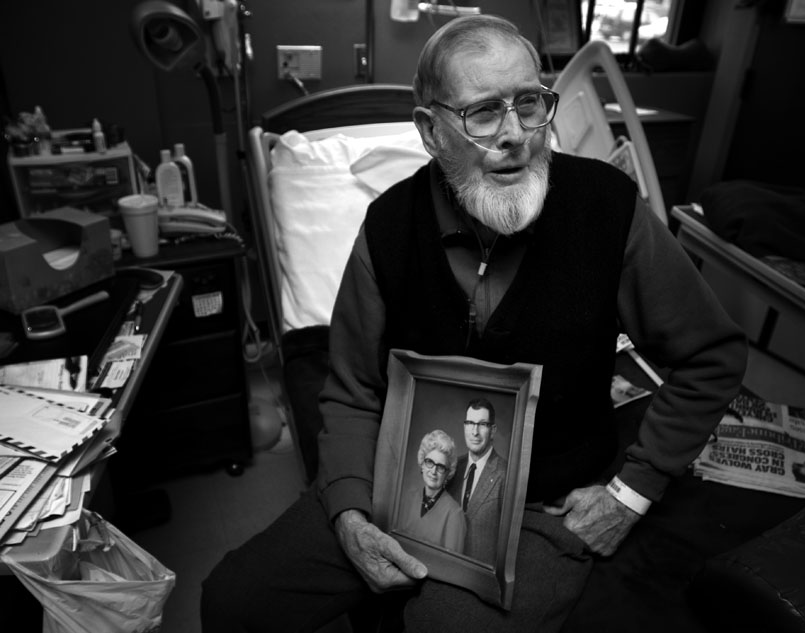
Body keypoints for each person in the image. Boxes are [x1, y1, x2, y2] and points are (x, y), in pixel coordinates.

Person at [202, 14, 747, 633]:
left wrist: (630, 492)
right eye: (484, 112)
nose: (516, 134)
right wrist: (351, 514)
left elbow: (712, 354)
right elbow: (353, 391)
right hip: (400, 484)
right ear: (431, 132)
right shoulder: (387, 230)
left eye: (529, 104)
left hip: (546, 502)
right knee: (233, 599)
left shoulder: (608, 209)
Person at [446, 398, 507, 563]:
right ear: (464, 426)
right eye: (470, 423)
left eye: (482, 424)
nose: (475, 432)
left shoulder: (505, 474)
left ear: (492, 430)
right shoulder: (452, 467)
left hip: (482, 578)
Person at [396, 429, 466, 552]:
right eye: (429, 462)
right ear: (422, 464)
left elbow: (452, 567)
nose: (433, 471)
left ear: (448, 473)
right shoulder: (408, 498)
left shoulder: (454, 515)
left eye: (440, 467)